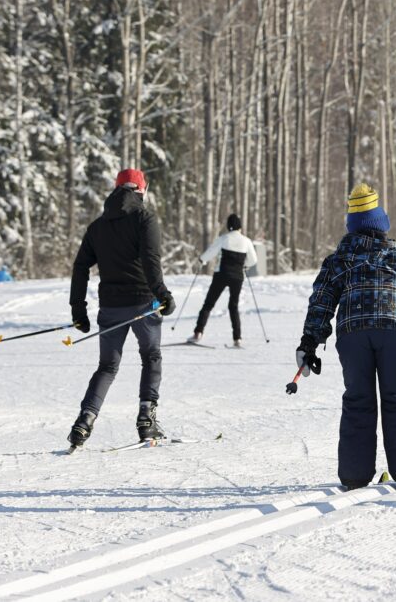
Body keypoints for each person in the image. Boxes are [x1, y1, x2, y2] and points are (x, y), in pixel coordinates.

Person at [298, 184, 396, 490]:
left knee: (358, 400)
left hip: (353, 334)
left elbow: (321, 301)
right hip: (394, 331)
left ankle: (355, 475)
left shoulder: (339, 259)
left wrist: (309, 342)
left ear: (352, 225)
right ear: (380, 223)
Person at [68, 169, 175, 448]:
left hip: (111, 306)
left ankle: (84, 421)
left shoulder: (98, 226)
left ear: (117, 189)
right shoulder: (145, 219)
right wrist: (163, 294)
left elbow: (80, 267)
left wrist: (78, 310)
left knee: (107, 366)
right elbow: (151, 260)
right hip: (143, 303)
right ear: (142, 189)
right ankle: (146, 420)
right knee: (151, 356)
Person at [188, 214, 258, 347]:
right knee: (233, 306)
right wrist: (244, 265)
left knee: (208, 304)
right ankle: (237, 339)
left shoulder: (224, 238)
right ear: (240, 227)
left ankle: (198, 333)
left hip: (222, 274)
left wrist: (202, 259)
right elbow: (253, 260)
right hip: (238, 277)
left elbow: (211, 252)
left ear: (228, 226)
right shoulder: (246, 241)